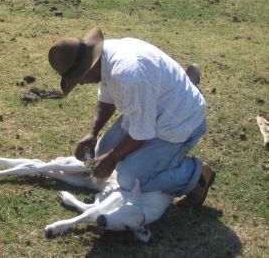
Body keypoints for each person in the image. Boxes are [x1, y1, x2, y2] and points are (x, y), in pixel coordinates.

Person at [48, 26, 215, 205]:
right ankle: (141, 159)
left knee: (128, 178)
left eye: (79, 77)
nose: (80, 83)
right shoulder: (105, 58)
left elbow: (141, 133)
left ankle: (195, 174)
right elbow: (106, 100)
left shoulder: (129, 74)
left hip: (178, 123)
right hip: (151, 110)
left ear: (89, 66)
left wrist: (113, 158)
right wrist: (93, 133)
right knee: (99, 152)